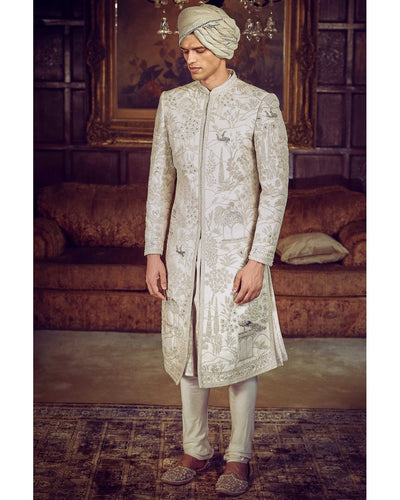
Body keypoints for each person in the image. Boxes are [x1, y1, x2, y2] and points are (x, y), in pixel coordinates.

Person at [145, 3, 289, 496]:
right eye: (186, 49)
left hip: (236, 259)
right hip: (182, 255)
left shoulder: (259, 104)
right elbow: (160, 183)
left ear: (224, 50)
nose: (190, 57)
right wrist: (153, 252)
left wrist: (259, 259)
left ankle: (238, 458)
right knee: (188, 354)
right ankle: (196, 449)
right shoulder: (173, 104)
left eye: (200, 49)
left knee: (237, 357)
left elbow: (275, 189)